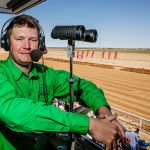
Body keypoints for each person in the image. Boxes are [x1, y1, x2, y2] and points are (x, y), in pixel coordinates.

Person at [0, 14, 125, 150]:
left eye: (33, 39)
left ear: (40, 44)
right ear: (7, 43)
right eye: (19, 39)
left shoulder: (46, 74)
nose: (27, 46)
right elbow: (15, 112)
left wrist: (104, 111)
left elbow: (84, 86)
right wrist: (90, 124)